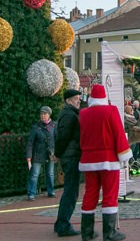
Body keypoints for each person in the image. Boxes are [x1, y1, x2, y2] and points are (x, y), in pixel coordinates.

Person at [79, 84, 131, 241]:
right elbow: (118, 133)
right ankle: (109, 233)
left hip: (88, 160)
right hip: (108, 160)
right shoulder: (111, 110)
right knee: (110, 194)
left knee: (90, 194)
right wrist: (124, 155)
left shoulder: (83, 114)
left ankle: (86, 233)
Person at [53, 89, 83, 237]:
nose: (79, 100)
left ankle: (60, 223)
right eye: (76, 98)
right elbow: (63, 137)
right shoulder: (69, 115)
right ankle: (63, 225)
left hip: (70, 155)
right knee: (71, 192)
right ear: (68, 100)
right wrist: (57, 153)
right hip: (71, 157)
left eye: (79, 98)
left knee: (70, 191)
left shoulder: (70, 113)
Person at [25, 105, 56, 201]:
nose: (42, 115)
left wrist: (57, 153)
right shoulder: (36, 127)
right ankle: (31, 193)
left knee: (50, 173)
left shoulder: (54, 126)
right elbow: (30, 142)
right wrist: (28, 156)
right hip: (37, 154)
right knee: (34, 174)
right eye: (41, 114)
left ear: (49, 115)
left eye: (44, 114)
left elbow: (57, 139)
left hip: (50, 154)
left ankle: (51, 191)